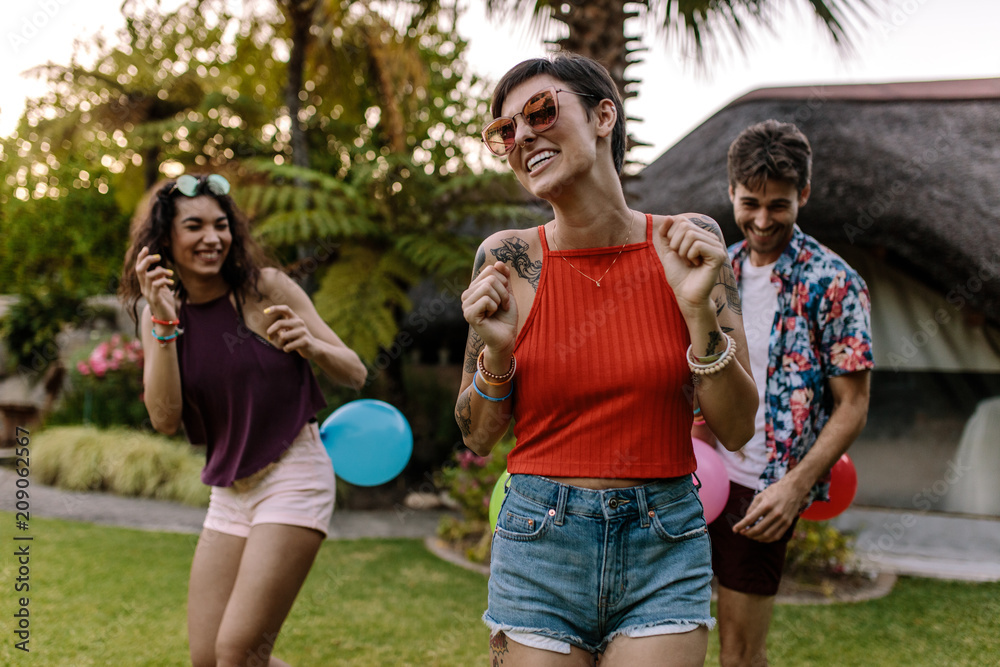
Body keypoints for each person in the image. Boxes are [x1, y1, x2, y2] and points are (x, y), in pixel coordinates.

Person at [456, 53, 758, 667]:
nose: (523, 137)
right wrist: (497, 350)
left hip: (664, 539)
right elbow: (478, 435)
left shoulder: (687, 244)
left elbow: (738, 426)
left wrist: (698, 312)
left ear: (603, 115)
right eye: (505, 131)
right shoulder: (507, 258)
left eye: (539, 111)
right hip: (539, 539)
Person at [119, 173, 368, 667]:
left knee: (237, 652)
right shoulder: (157, 315)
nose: (213, 238)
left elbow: (355, 372)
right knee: (207, 658)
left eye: (222, 225)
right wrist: (166, 323)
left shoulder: (264, 289)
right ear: (164, 239)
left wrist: (311, 344)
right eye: (194, 226)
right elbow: (165, 418)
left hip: (294, 474)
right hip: (230, 490)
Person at [702, 120, 873, 667]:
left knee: (738, 652)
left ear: (803, 195)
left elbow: (853, 404)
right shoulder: (712, 273)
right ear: (731, 192)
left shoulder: (836, 283)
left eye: (778, 205)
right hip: (688, 477)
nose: (760, 219)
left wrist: (795, 489)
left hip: (760, 492)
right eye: (749, 202)